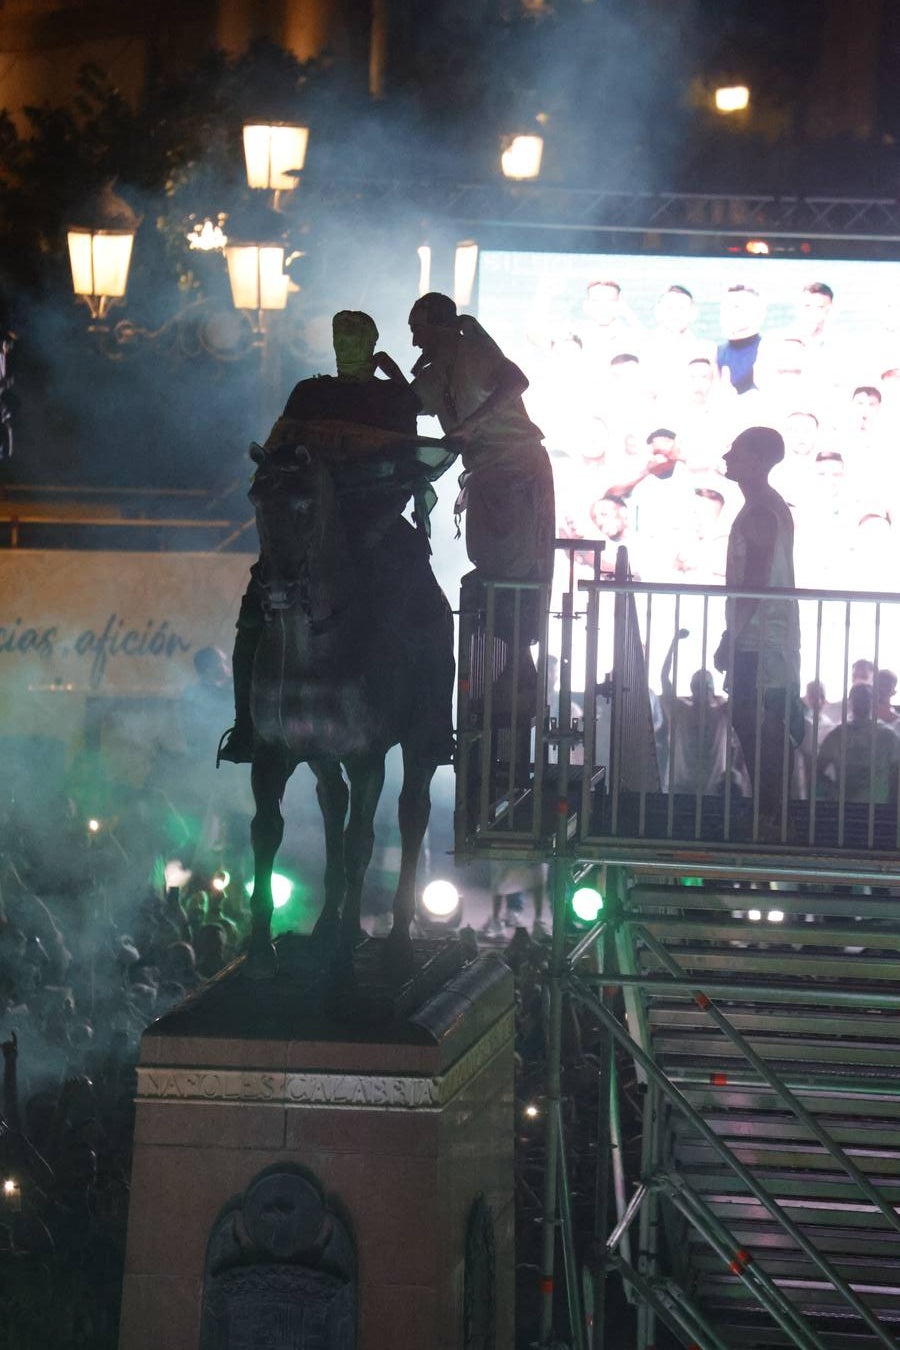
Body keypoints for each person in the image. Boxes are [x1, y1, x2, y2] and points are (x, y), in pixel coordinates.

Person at [218, 309, 440, 764]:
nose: (348, 347)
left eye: (357, 339)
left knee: (425, 601)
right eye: (342, 337)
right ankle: (247, 725)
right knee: (253, 611)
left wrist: (376, 522)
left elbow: (405, 469)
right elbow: (279, 460)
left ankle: (432, 720)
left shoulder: (393, 400)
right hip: (307, 523)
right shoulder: (309, 392)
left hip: (374, 524)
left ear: (372, 342)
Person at [392, 291, 555, 680]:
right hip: (486, 475)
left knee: (515, 564)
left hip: (517, 468)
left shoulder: (475, 353)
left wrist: (473, 423)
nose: (415, 341)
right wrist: (387, 373)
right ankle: (508, 660)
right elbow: (405, 405)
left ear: (437, 327)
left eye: (418, 330)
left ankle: (520, 661)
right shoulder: (435, 374)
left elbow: (516, 381)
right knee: (488, 562)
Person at [714, 426, 803, 833]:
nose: (727, 456)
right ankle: (770, 809)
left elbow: (754, 581)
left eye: (736, 450)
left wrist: (733, 636)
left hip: (764, 637)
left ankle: (771, 812)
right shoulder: (765, 507)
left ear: (757, 460)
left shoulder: (762, 511)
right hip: (762, 635)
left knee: (758, 721)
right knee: (753, 720)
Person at [659, 630, 732, 794]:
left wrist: (674, 643)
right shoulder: (719, 713)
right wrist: (673, 643)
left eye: (704, 687)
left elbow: (664, 677)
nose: (701, 691)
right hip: (687, 790)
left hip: (703, 791)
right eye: (698, 686)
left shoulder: (721, 713)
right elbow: (664, 678)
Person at [817, 682, 900, 803]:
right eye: (859, 698)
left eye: (865, 698)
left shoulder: (888, 736)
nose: (862, 701)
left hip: (865, 806)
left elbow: (897, 774)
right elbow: (818, 770)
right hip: (861, 805)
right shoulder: (838, 735)